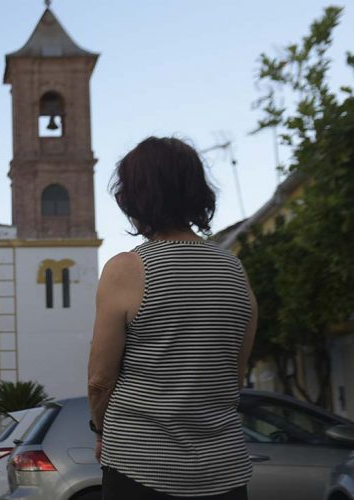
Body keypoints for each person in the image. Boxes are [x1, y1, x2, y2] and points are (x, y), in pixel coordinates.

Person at [87, 137, 257, 500]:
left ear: (133, 198)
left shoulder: (126, 270)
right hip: (224, 470)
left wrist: (102, 431)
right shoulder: (234, 269)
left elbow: (101, 380)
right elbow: (234, 373)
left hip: (139, 469)